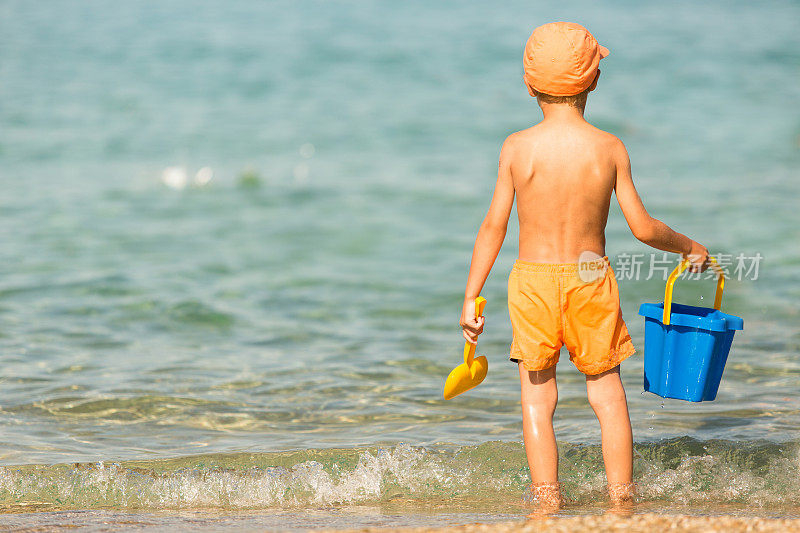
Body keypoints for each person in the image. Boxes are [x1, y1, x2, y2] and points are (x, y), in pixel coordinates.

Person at [458, 22, 709, 509]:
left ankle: (547, 499)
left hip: (531, 280)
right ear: (594, 80)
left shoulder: (516, 148)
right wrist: (688, 245)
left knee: (537, 394)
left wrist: (471, 294)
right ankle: (622, 498)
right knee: (607, 393)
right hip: (591, 278)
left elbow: (493, 227)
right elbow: (642, 227)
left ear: (529, 85)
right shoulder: (609, 148)